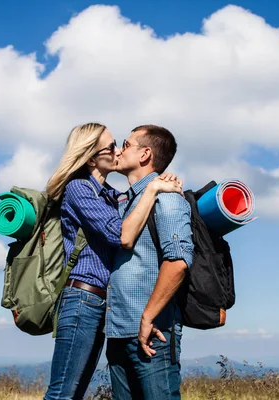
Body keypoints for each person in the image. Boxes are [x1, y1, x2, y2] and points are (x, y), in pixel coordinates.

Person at [43, 122, 183, 400]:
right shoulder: (79, 189)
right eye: (111, 146)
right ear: (92, 157)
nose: (118, 151)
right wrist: (152, 189)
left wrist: (158, 184)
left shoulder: (111, 195)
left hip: (101, 306)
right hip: (82, 299)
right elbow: (122, 236)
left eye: (121, 144)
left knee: (75, 392)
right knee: (62, 394)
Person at [105, 125, 194, 399]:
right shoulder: (124, 202)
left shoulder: (167, 199)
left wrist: (148, 317)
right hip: (118, 331)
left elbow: (178, 261)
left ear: (145, 154)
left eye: (125, 144)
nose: (118, 150)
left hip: (152, 333)